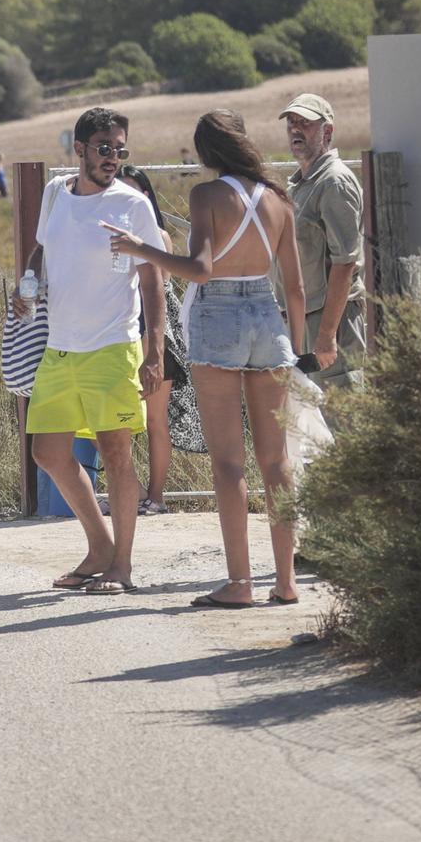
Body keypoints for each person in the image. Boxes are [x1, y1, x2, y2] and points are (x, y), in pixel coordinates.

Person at [105, 110, 309, 609]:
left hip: (218, 318)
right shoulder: (280, 200)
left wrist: (143, 250)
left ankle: (239, 584)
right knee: (276, 461)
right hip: (269, 317)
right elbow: (297, 288)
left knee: (228, 462)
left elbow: (199, 271)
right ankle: (285, 582)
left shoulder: (206, 197)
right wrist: (299, 351)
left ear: (205, 151)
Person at [14, 107, 166, 596]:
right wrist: (29, 284)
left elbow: (151, 277)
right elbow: (42, 248)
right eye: (104, 148)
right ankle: (99, 547)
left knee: (116, 454)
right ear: (79, 149)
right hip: (59, 346)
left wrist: (155, 348)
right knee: (48, 452)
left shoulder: (133, 203)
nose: (113, 158)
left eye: (121, 149)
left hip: (112, 346)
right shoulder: (57, 193)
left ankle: (121, 567)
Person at [118, 165, 190, 515]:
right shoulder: (115, 234)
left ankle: (156, 496)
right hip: (124, 332)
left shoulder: (157, 237)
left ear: (146, 197)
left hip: (154, 333)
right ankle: (135, 491)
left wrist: (153, 346)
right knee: (120, 418)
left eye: (136, 192)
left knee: (154, 421)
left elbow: (157, 289)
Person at [281, 94, 365, 389]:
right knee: (310, 429)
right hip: (304, 320)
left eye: (305, 123)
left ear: (326, 131)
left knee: (339, 423)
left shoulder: (333, 182)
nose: (295, 130)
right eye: (291, 123)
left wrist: (327, 336)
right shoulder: (304, 183)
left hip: (330, 322)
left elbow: (345, 263)